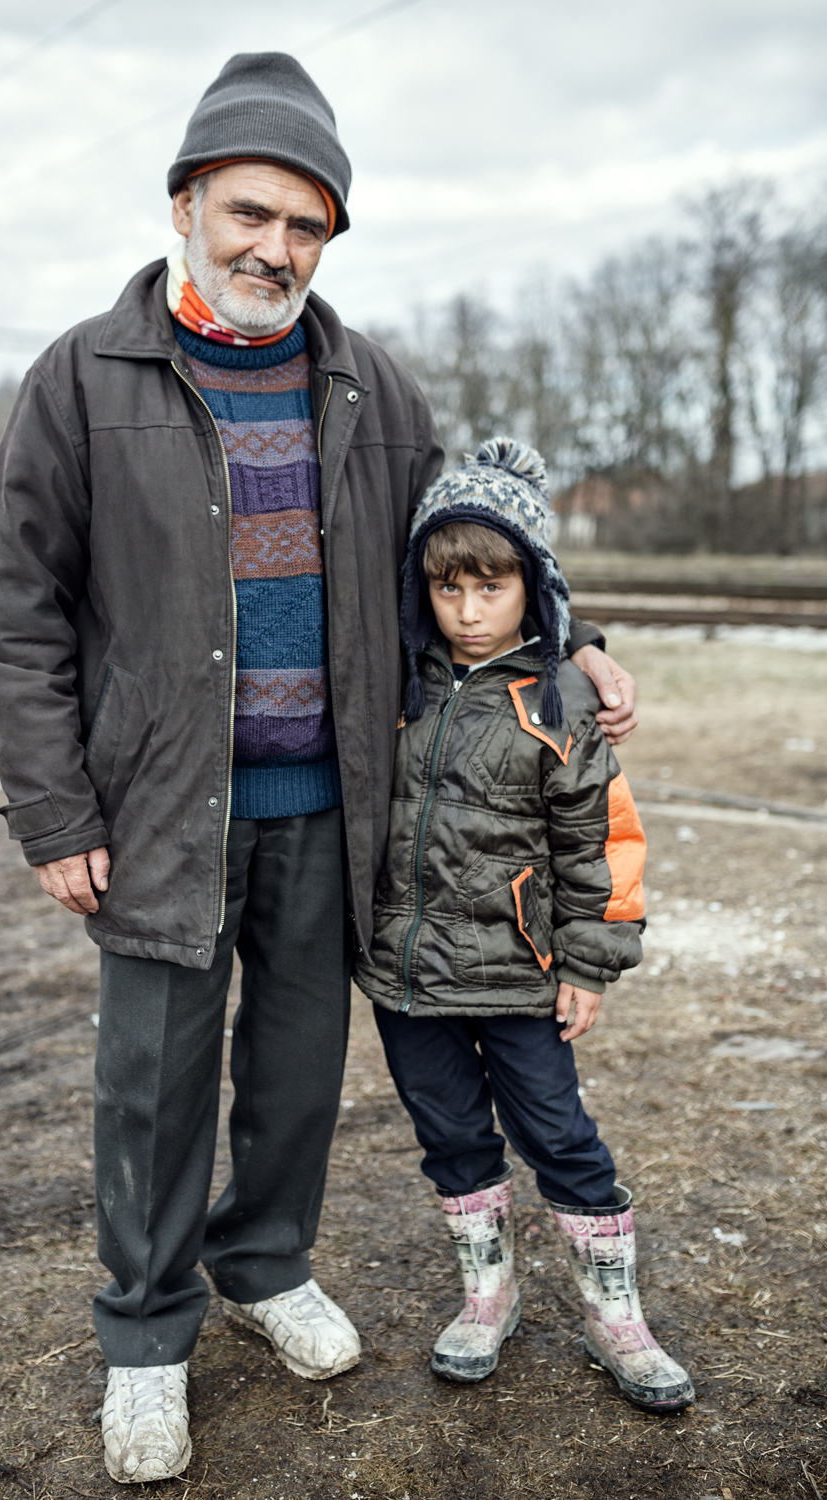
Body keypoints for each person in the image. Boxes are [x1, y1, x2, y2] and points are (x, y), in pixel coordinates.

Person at [0, 53, 640, 1484]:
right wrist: (49, 807)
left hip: (337, 811)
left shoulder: (371, 386)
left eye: (309, 225)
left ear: (330, 239)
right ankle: (145, 1339)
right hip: (156, 817)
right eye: (253, 212)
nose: (277, 247)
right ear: (187, 202)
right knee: (150, 1086)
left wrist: (577, 646)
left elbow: (485, 546)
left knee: (296, 1072)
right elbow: (15, 610)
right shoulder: (83, 379)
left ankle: (263, 1265)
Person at [355, 437, 694, 1412]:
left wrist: (585, 963)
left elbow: (600, 844)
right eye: (446, 589)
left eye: (489, 589)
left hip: (519, 975)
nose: (465, 612)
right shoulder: (396, 686)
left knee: (559, 1135)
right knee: (450, 1135)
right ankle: (486, 1292)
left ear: (531, 587)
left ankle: (614, 1314)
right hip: (407, 978)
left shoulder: (560, 700)